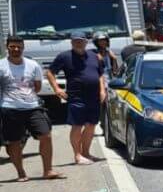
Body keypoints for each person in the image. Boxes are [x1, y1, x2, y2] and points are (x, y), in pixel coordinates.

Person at [2, 35, 62, 181]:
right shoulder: (1, 65)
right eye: (12, 47)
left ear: (23, 47)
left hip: (32, 106)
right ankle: (21, 172)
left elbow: (37, 86)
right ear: (7, 47)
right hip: (9, 108)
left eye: (19, 47)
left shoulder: (33, 65)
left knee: (45, 135)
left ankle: (48, 170)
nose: (16, 49)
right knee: (14, 141)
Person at [45, 33, 107, 165]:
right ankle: (77, 155)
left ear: (86, 42)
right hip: (76, 97)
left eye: (81, 41)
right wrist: (57, 89)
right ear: (71, 42)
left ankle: (86, 153)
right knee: (77, 125)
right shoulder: (64, 56)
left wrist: (102, 90)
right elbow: (49, 72)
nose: (78, 43)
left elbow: (100, 74)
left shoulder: (94, 56)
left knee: (91, 125)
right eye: (75, 41)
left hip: (94, 96)